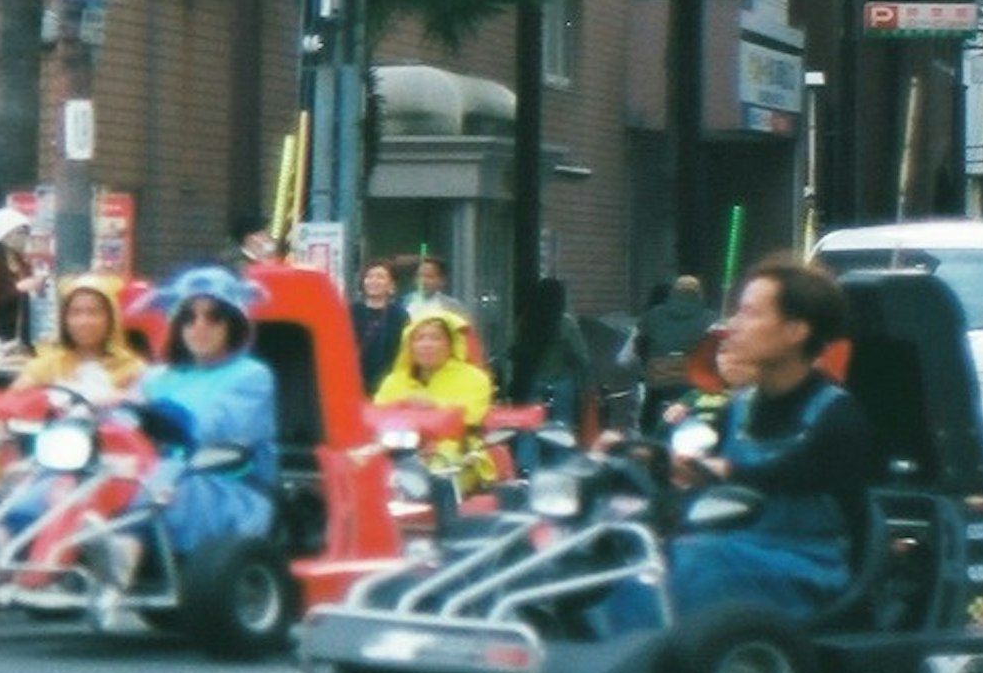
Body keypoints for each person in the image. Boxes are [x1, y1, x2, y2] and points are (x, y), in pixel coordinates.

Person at [607, 257, 873, 631]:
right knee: (631, 541)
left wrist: (727, 470)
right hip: (735, 550)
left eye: (750, 314)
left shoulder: (837, 415)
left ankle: (647, 655)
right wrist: (647, 455)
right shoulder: (741, 407)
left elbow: (796, 472)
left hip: (806, 567)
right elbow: (698, 462)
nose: (732, 325)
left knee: (697, 557)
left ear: (795, 330)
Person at [133, 266, 280, 555]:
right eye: (188, 317)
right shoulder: (157, 377)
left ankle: (113, 585)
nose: (199, 326)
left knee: (158, 488)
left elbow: (212, 429)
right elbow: (122, 420)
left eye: (214, 317)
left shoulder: (252, 375)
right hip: (157, 475)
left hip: (228, 489)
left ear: (233, 324)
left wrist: (157, 416)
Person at [372, 311, 500, 497]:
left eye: (435, 338)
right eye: (419, 338)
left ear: (451, 345)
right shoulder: (393, 381)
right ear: (409, 345)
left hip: (456, 455)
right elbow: (377, 418)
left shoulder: (474, 378)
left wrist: (431, 406)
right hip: (396, 452)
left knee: (430, 475)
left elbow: (470, 417)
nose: (426, 344)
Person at [18, 270, 145, 401]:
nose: (84, 322)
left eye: (94, 312)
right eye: (75, 312)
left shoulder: (132, 370)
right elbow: (10, 408)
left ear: (111, 319)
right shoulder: (43, 368)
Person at [506, 274, 597, 437]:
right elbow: (582, 356)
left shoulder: (526, 321)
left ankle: (527, 460)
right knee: (561, 428)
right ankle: (560, 460)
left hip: (534, 381)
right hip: (561, 381)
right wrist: (587, 383)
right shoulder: (566, 323)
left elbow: (514, 350)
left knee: (529, 427)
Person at [0, 207, 43, 360]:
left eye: (26, 233)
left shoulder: (24, 266)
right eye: (20, 233)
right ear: (4, 236)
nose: (25, 238)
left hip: (24, 342)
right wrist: (18, 288)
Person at [349, 262, 406, 391]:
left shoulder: (399, 315)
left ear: (392, 285)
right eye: (369, 276)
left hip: (388, 384)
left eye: (380, 277)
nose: (373, 280)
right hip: (353, 382)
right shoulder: (350, 311)